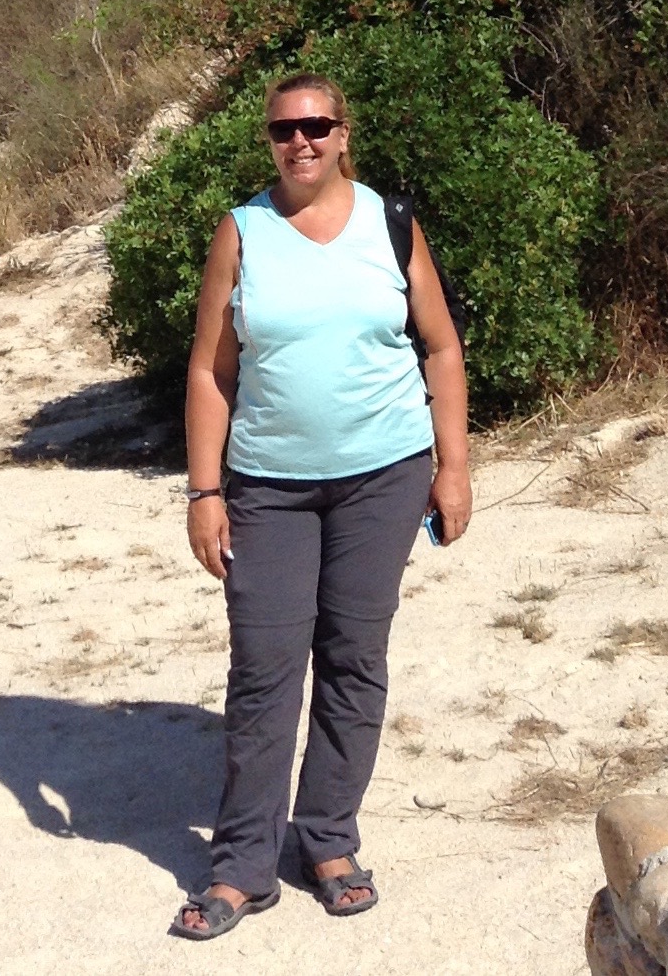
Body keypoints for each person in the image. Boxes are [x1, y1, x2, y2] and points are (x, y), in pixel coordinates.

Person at [168, 72, 471, 941]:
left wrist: (453, 467)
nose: (299, 141)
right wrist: (204, 490)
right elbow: (211, 369)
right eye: (283, 130)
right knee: (265, 669)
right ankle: (241, 866)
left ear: (343, 134)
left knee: (353, 657)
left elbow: (440, 348)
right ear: (269, 140)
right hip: (268, 486)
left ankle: (329, 842)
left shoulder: (389, 222)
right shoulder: (243, 232)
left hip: (385, 477)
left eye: (315, 126)